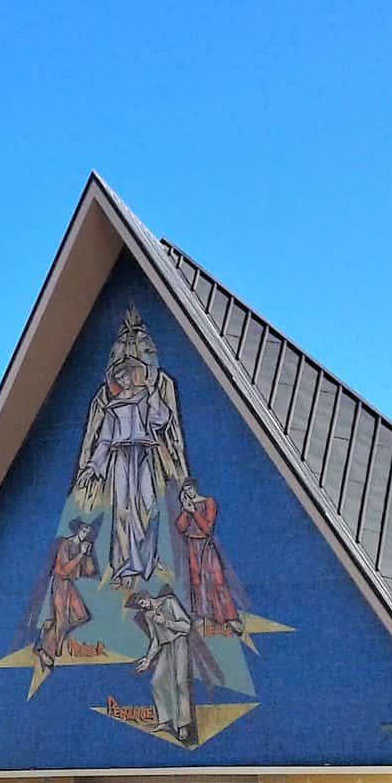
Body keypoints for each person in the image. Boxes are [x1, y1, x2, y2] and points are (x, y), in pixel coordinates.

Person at [73, 308, 188, 588]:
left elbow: (162, 419)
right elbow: (104, 441)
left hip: (143, 454)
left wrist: (150, 393)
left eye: (128, 375)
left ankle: (148, 559)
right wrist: (92, 467)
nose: (124, 380)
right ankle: (126, 567)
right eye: (120, 376)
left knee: (150, 507)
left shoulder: (146, 396)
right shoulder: (112, 406)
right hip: (121, 458)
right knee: (122, 512)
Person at [128, 589, 202, 746]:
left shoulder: (169, 602)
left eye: (141, 603)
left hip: (179, 643)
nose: (141, 607)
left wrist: (166, 622)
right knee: (156, 682)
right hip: (166, 647)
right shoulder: (148, 615)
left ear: (147, 597)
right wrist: (148, 660)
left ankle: (183, 725)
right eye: (139, 606)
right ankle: (165, 720)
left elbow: (186, 626)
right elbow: (155, 640)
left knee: (180, 683)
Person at [174, 478, 242, 635]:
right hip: (192, 546)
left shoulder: (208, 502)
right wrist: (185, 510)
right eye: (185, 490)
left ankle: (230, 618)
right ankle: (203, 616)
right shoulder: (188, 507)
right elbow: (181, 527)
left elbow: (207, 529)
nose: (188, 492)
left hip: (206, 545)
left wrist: (194, 512)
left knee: (217, 581)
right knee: (197, 582)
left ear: (195, 488)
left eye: (190, 489)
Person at [33, 519, 99, 672]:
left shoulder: (81, 547)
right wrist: (80, 555)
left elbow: (90, 571)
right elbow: (64, 570)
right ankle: (45, 652)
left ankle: (49, 628)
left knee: (82, 616)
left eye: (88, 533)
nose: (85, 535)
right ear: (78, 530)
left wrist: (87, 555)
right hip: (60, 583)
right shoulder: (66, 544)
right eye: (84, 531)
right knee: (62, 621)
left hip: (69, 584)